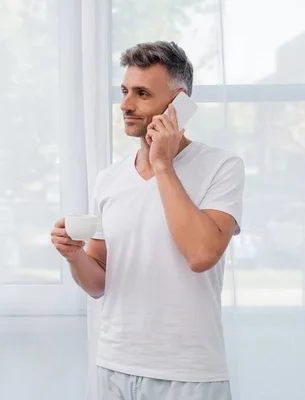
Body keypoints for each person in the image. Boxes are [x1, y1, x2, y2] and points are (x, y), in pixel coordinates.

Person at [51, 41, 244, 400]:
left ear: (178, 103)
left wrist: (162, 165)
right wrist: (74, 256)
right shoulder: (109, 178)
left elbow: (201, 255)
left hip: (188, 374)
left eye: (141, 93)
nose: (125, 105)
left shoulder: (222, 167)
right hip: (113, 366)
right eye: (125, 91)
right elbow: (98, 283)